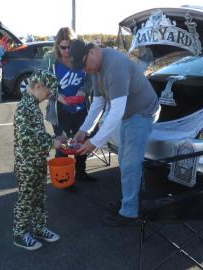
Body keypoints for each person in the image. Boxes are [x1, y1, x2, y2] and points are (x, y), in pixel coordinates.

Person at [69, 39, 161, 227]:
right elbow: (98, 103)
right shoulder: (95, 69)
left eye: (84, 65)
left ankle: (129, 212)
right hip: (130, 114)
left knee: (129, 163)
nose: (84, 70)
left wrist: (94, 142)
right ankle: (132, 200)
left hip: (143, 113)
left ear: (92, 52)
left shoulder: (114, 66)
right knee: (125, 160)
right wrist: (83, 131)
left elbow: (116, 111)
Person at [13, 69, 61, 250]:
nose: (48, 96)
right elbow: (28, 139)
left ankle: (39, 228)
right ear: (39, 86)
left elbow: (35, 133)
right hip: (27, 164)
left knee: (39, 198)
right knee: (26, 199)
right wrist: (52, 142)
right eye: (48, 92)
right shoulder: (25, 107)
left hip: (37, 161)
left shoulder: (32, 105)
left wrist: (52, 140)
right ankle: (19, 233)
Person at [43, 27, 96, 183]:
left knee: (81, 142)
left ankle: (81, 172)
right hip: (61, 111)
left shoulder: (80, 58)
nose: (66, 51)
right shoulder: (51, 60)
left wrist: (83, 91)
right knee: (62, 145)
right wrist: (56, 95)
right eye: (62, 47)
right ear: (57, 46)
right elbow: (42, 83)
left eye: (69, 47)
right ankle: (64, 179)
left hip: (81, 109)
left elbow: (90, 79)